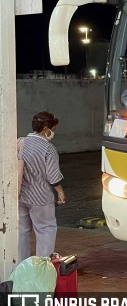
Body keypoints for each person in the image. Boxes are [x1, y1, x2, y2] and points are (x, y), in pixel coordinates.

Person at [18, 111, 65, 262]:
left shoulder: (21, 142)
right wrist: (60, 192)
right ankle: (41, 268)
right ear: (46, 129)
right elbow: (53, 176)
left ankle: (20, 266)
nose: (53, 133)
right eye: (53, 129)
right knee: (45, 230)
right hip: (41, 198)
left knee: (22, 231)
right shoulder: (48, 149)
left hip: (21, 195)